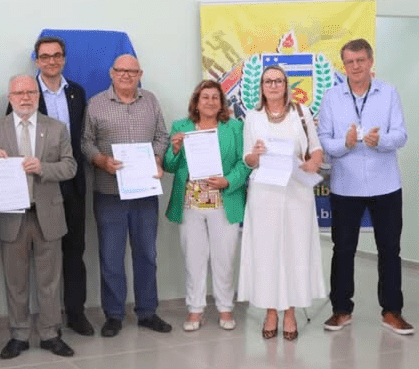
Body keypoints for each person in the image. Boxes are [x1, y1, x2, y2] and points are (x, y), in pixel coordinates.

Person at [317, 39, 413, 335]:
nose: (355, 66)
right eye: (350, 62)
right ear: (343, 65)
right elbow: (324, 141)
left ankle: (392, 312)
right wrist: (345, 144)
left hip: (385, 185)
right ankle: (341, 310)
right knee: (343, 250)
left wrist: (380, 141)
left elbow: (401, 135)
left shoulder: (389, 92)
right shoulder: (332, 97)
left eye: (360, 60)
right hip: (345, 187)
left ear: (371, 61)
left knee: (390, 250)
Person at [0, 75, 78, 359]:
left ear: (38, 96)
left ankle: (50, 333)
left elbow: (70, 167)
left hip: (47, 213)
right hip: (11, 215)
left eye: (30, 92)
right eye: (19, 93)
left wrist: (43, 168)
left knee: (50, 281)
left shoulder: (56, 127)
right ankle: (19, 335)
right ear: (10, 97)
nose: (25, 98)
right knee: (16, 281)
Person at [81, 54, 171, 337]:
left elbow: (162, 136)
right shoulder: (96, 103)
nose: (126, 75)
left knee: (147, 254)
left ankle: (147, 312)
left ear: (140, 74)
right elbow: (86, 142)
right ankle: (114, 315)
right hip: (110, 192)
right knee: (111, 257)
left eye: (132, 71)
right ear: (111, 73)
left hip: (145, 192)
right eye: (120, 70)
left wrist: (157, 159)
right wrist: (101, 161)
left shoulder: (151, 101)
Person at [239, 66, 326, 340]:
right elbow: (247, 159)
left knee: (294, 250)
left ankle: (289, 311)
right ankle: (270, 312)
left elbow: (316, 148)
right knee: (266, 252)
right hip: (264, 193)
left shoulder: (301, 112)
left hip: (296, 191)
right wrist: (255, 154)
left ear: (286, 85)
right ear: (261, 86)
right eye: (268, 81)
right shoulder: (252, 117)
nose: (274, 85)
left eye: (278, 81)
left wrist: (314, 163)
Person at [15, 35, 93, 336]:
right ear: (36, 60)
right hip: (39, 185)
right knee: (39, 255)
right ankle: (41, 320)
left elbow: (82, 138)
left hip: (72, 183)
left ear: (64, 58)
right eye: (45, 56)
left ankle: (76, 312)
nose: (52, 61)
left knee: (75, 250)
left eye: (57, 55)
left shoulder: (77, 92)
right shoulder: (26, 92)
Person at [162, 80, 249, 332]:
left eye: (215, 97)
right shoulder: (181, 127)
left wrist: (228, 181)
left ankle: (225, 307)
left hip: (224, 200)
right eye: (205, 97)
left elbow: (244, 163)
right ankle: (195, 309)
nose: (210, 101)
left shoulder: (235, 127)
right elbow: (169, 166)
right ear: (196, 103)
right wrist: (174, 149)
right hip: (190, 203)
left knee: (224, 259)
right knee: (194, 260)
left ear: (221, 103)